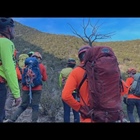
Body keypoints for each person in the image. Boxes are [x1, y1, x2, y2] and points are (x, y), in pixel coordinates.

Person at [9, 51, 48, 122]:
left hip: (26, 88)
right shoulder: (42, 66)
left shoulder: (25, 66)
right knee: (35, 106)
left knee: (23, 106)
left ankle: (12, 119)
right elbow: (45, 79)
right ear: (39, 58)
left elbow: (23, 77)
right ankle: (34, 121)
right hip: (37, 89)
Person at [61, 45, 92, 122]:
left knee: (67, 110)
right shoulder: (102, 70)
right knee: (75, 113)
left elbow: (65, 95)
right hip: (104, 115)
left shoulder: (75, 72)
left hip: (87, 113)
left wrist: (80, 108)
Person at [0, 17, 21, 122]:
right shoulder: (5, 43)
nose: (14, 31)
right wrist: (16, 94)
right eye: (13, 28)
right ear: (8, 28)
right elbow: (9, 69)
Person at [59, 58, 80, 123]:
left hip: (65, 93)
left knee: (66, 110)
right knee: (76, 110)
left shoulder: (63, 71)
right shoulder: (76, 71)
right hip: (74, 93)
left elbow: (60, 83)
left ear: (67, 64)